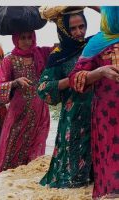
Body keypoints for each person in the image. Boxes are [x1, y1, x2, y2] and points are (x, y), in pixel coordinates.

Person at [38, 10, 93, 188]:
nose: (79, 32)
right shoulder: (57, 56)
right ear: (63, 30)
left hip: (100, 114)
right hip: (74, 119)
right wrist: (70, 80)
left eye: (82, 26)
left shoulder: (95, 45)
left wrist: (93, 6)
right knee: (73, 179)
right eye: (73, 28)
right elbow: (43, 88)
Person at [69, 6, 119, 199]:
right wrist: (98, 73)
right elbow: (74, 79)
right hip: (108, 117)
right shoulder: (97, 44)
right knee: (112, 164)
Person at [0, 32, 52, 176]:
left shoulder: (42, 54)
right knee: (10, 153)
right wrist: (15, 83)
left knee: (36, 156)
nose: (27, 41)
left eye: (30, 37)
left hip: (40, 113)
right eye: (22, 37)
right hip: (18, 115)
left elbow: (62, 48)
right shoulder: (9, 60)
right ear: (16, 39)